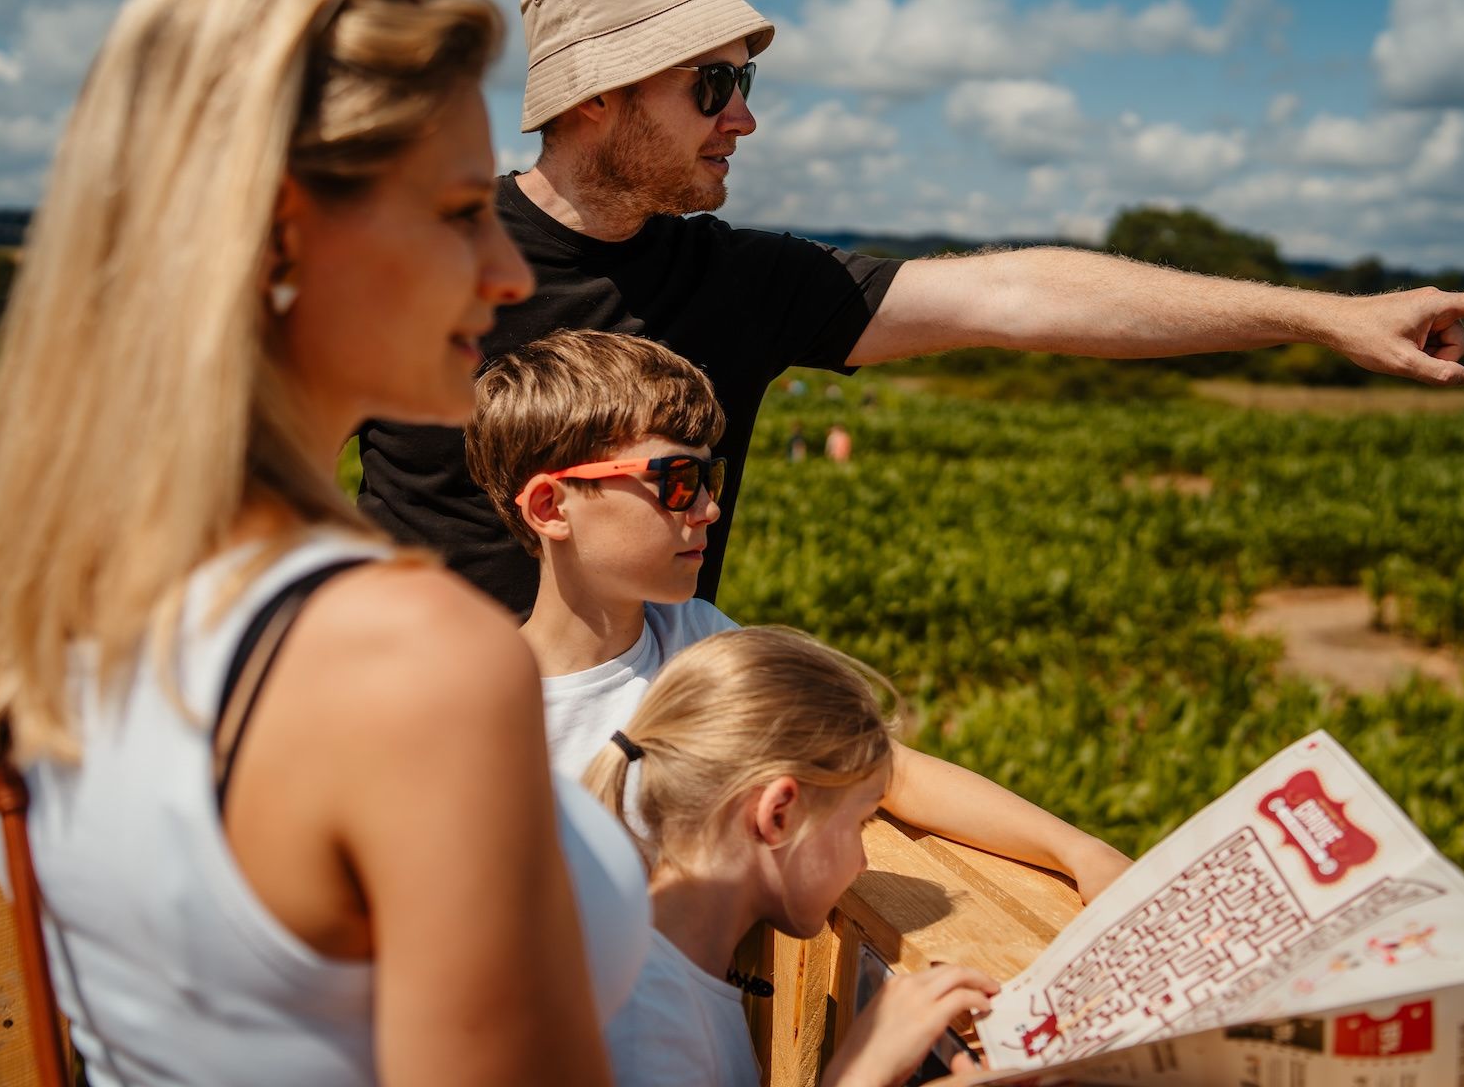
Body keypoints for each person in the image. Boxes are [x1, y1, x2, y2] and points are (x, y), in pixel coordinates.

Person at [356, 0, 1464, 619]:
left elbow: (1020, 294)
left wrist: (1324, 315)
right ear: (599, 99)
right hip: (419, 744)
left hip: (652, 743)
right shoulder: (419, 261)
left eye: (746, 85)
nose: (744, 120)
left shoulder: (741, 284)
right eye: (713, 85)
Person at [0, 0, 642, 1086]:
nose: (509, 273)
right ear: (277, 228)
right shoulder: (410, 666)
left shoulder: (40, 613)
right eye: (464, 209)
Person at [464, 330, 1130, 900]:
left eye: (711, 479)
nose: (708, 510)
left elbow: (884, 768)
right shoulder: (475, 716)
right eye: (677, 482)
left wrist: (1079, 853)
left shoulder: (698, 641)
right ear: (552, 507)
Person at [583, 626, 1002, 1087]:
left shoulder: (652, 971)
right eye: (860, 823)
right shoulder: (649, 1032)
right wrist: (858, 1076)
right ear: (778, 815)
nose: (862, 863)